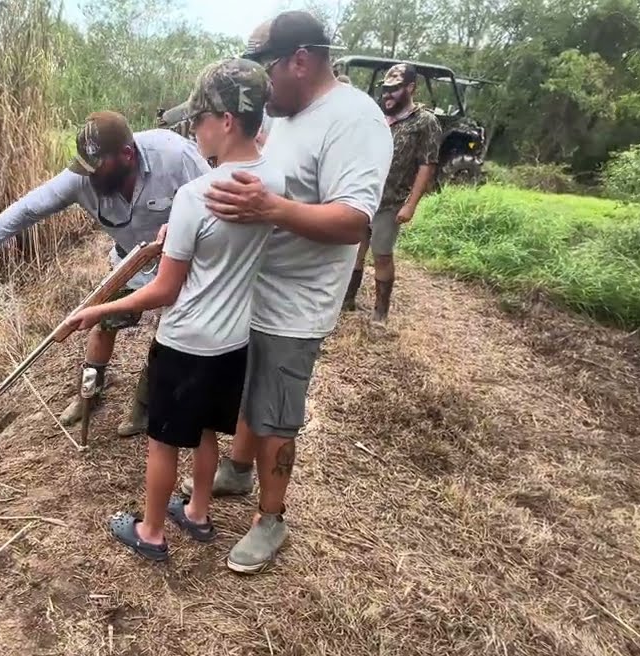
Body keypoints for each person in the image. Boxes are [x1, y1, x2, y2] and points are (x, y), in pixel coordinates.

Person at [179, 10, 392, 573]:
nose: (260, 84)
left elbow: (353, 221)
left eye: (265, 68)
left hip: (297, 301)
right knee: (249, 388)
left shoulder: (355, 120)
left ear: (300, 60)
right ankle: (237, 469)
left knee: (276, 411)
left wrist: (269, 208)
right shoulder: (288, 113)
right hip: (258, 284)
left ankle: (270, 520)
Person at [66, 58, 281, 562]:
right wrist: (175, 236)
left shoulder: (195, 193)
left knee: (163, 441)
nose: (193, 130)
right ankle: (199, 514)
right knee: (206, 429)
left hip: (185, 342)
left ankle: (152, 531)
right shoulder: (274, 178)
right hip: (234, 341)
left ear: (226, 120)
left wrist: (98, 310)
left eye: (200, 118)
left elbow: (165, 290)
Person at [0, 111, 210, 438]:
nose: (87, 177)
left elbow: (212, 195)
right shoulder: (80, 177)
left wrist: (185, 225)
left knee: (165, 336)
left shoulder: (175, 156)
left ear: (127, 156)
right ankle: (89, 393)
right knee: (103, 322)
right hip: (128, 260)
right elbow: (26, 209)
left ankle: (144, 407)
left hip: (180, 261)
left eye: (96, 168)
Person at [342, 63, 442, 323]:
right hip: (364, 195)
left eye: (395, 90)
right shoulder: (377, 116)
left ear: (410, 88)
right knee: (355, 249)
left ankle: (380, 312)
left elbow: (426, 165)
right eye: (385, 90)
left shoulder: (424, 121)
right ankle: (347, 300)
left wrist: (411, 204)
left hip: (391, 200)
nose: (388, 95)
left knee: (382, 254)